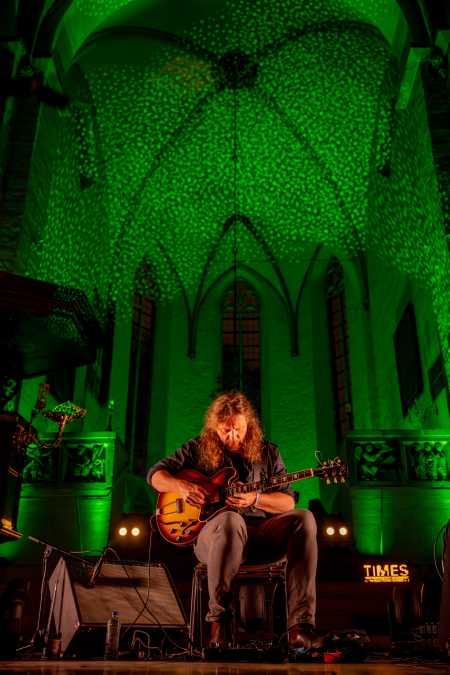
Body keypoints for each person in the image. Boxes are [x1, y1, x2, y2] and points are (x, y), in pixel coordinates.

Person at [147, 391, 319, 650]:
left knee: (304, 518)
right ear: (214, 427)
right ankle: (220, 625)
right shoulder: (196, 449)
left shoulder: (269, 453)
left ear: (248, 424)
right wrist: (182, 487)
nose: (232, 437)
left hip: (260, 537)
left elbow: (288, 502)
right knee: (230, 520)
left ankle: (300, 628)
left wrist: (255, 499)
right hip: (214, 539)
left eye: (237, 429)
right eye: (225, 430)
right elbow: (155, 476)